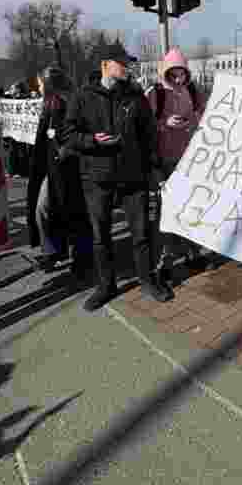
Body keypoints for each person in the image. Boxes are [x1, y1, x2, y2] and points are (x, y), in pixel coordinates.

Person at [64, 41, 172, 311]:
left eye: (128, 64)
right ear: (105, 65)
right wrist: (92, 140)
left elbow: (149, 137)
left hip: (132, 177)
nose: (127, 68)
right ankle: (106, 286)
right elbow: (68, 135)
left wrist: (155, 172)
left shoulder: (136, 97)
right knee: (101, 236)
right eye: (122, 63)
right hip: (96, 178)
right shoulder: (82, 96)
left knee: (141, 234)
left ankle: (147, 281)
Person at [146, 48, 209, 282]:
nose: (179, 79)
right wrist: (164, 123)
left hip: (189, 160)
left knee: (190, 208)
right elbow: (143, 126)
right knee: (167, 212)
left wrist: (191, 122)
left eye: (182, 74)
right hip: (164, 161)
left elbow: (207, 115)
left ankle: (193, 253)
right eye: (174, 74)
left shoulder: (193, 91)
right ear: (166, 73)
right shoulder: (155, 93)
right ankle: (165, 260)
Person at [29, 65, 91, 281]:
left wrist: (66, 150)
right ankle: (53, 250)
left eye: (40, 83)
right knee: (45, 209)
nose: (37, 87)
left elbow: (76, 133)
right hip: (53, 168)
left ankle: (82, 258)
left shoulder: (68, 102)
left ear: (49, 84)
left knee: (73, 213)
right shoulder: (51, 104)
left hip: (70, 169)